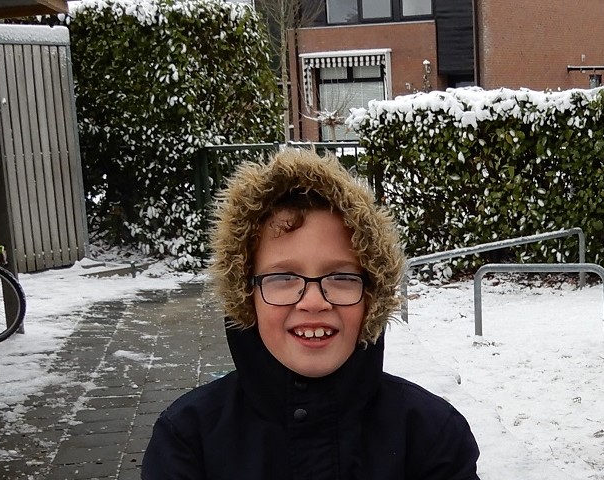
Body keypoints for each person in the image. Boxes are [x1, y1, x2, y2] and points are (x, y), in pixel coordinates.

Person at [142, 149, 480, 479]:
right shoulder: (188, 441)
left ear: (372, 295)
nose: (314, 302)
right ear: (246, 295)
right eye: (283, 278)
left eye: (341, 277)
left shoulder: (431, 436)